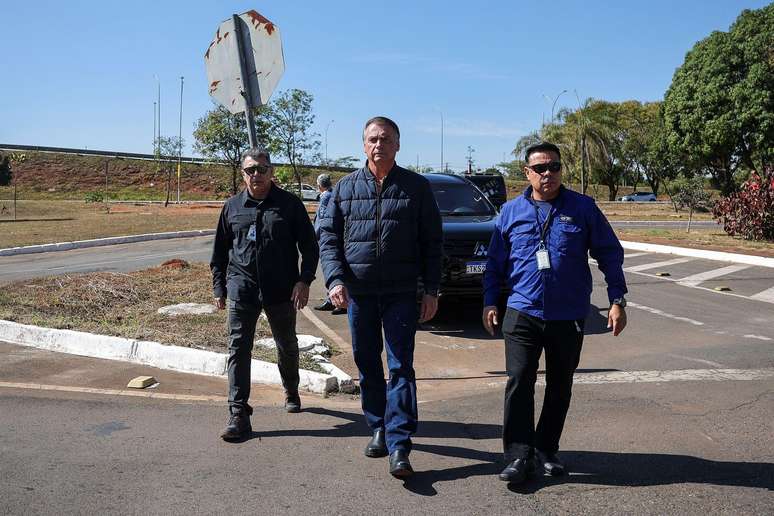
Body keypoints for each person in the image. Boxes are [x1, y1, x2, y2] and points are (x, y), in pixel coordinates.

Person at [482, 141, 628, 484]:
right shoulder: (510, 212)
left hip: (569, 314)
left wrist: (618, 299)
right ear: (527, 173)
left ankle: (546, 449)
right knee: (519, 382)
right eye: (541, 168)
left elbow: (610, 253)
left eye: (555, 167)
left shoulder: (583, 208)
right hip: (522, 311)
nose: (549, 174)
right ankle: (518, 456)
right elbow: (494, 264)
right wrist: (490, 301)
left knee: (560, 385)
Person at [319, 116, 442, 478]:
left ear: (398, 145)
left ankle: (400, 444)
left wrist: (431, 290)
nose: (379, 145)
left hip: (402, 293)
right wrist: (335, 280)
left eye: (386, 139)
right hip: (360, 294)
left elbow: (433, 243)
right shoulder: (344, 189)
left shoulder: (416, 188)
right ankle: (377, 426)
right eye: (373, 139)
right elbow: (329, 240)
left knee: (401, 365)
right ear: (363, 145)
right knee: (367, 363)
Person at [211, 147, 319, 442]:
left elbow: (310, 248)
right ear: (243, 174)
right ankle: (238, 413)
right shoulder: (232, 207)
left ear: (271, 172)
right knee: (238, 348)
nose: (256, 175)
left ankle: (291, 389)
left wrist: (304, 281)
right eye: (250, 170)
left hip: (281, 290)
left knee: (286, 344)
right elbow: (220, 251)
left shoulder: (290, 205)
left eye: (261, 169)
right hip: (241, 288)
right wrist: (219, 286)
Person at [312, 174, 344, 315]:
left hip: (324, 238)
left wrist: (316, 236)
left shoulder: (325, 197)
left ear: (319, 185)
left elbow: (323, 219)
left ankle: (333, 301)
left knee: (329, 268)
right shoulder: (333, 194)